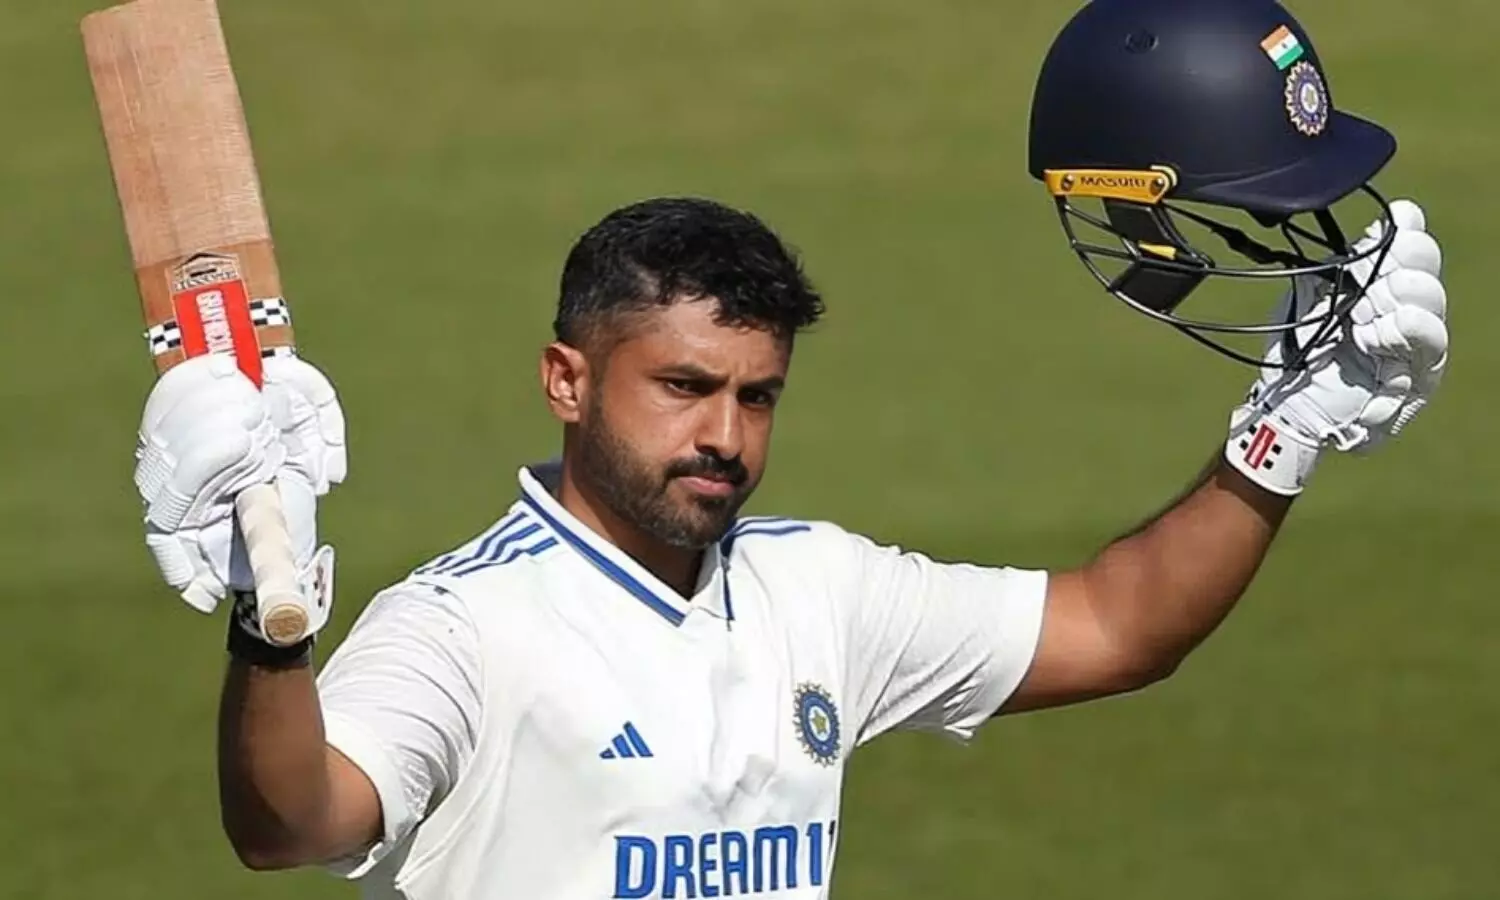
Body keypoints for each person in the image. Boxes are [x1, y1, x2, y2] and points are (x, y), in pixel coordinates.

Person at [131, 1, 1448, 897]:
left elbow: (1118, 627)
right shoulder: (462, 628)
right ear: (566, 381)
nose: (723, 436)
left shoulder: (818, 590)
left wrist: (1283, 435)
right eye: (684, 388)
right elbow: (292, 824)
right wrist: (271, 628)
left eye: (757, 397)